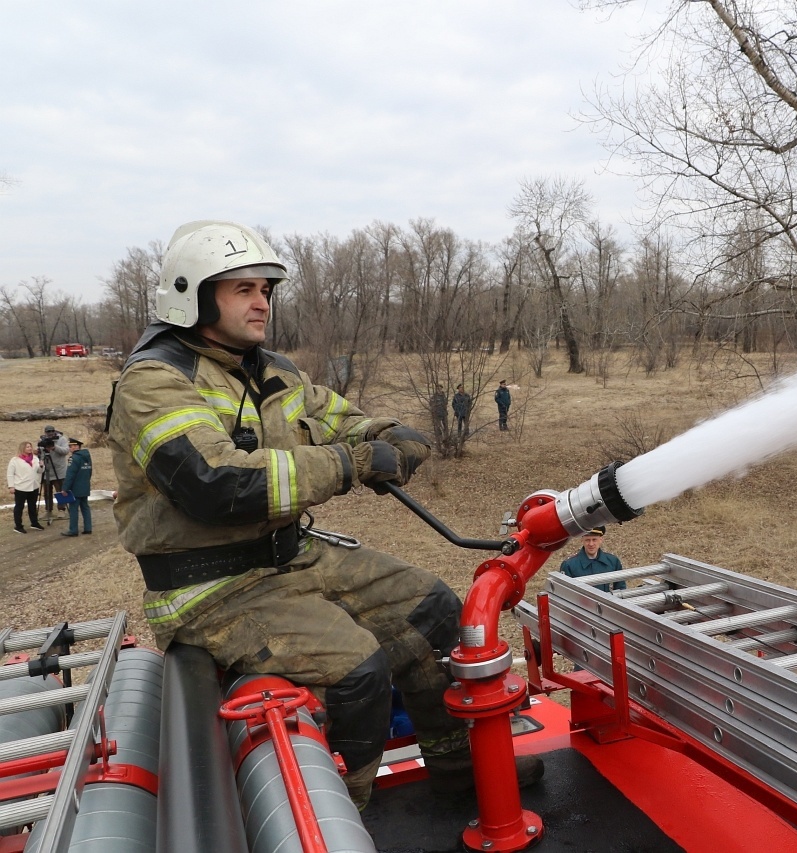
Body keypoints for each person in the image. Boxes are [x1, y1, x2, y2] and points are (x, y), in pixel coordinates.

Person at [105, 220, 541, 809]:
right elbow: (215, 485)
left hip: (292, 557)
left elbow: (342, 419)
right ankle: (345, 817)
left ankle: (458, 765)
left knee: (434, 609)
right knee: (355, 672)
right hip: (209, 588)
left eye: (266, 289)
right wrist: (350, 463)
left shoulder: (270, 369)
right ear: (194, 295)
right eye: (242, 290)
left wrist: (393, 438)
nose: (262, 302)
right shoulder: (155, 380)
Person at [559, 526, 625, 592]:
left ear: (601, 540)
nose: (591, 544)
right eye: (587, 540)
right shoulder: (569, 565)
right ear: (582, 540)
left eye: (594, 540)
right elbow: (565, 593)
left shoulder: (613, 562)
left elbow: (621, 590)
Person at [8, 441, 45, 533]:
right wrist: (11, 486)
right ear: (22, 448)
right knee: (19, 507)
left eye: (30, 447)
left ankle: (34, 523)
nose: (29, 448)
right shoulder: (15, 460)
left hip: (33, 486)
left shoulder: (35, 458)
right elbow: (10, 474)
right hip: (21, 487)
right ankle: (18, 526)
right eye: (27, 447)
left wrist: (41, 466)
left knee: (32, 506)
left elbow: (39, 471)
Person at [60, 438, 93, 537]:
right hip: (85, 486)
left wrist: (65, 488)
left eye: (72, 446)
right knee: (85, 508)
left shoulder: (73, 458)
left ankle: (73, 530)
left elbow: (70, 475)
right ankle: (88, 528)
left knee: (73, 509)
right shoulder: (87, 456)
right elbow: (89, 472)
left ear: (76, 447)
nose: (71, 448)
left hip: (75, 488)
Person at [37, 425, 70, 523]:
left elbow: (66, 451)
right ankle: (48, 510)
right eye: (48, 432)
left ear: (55, 431)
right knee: (47, 492)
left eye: (52, 431)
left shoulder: (62, 439)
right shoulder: (42, 439)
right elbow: (40, 453)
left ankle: (61, 509)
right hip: (47, 470)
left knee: (60, 490)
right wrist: (40, 457)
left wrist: (54, 447)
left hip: (59, 470)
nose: (50, 433)